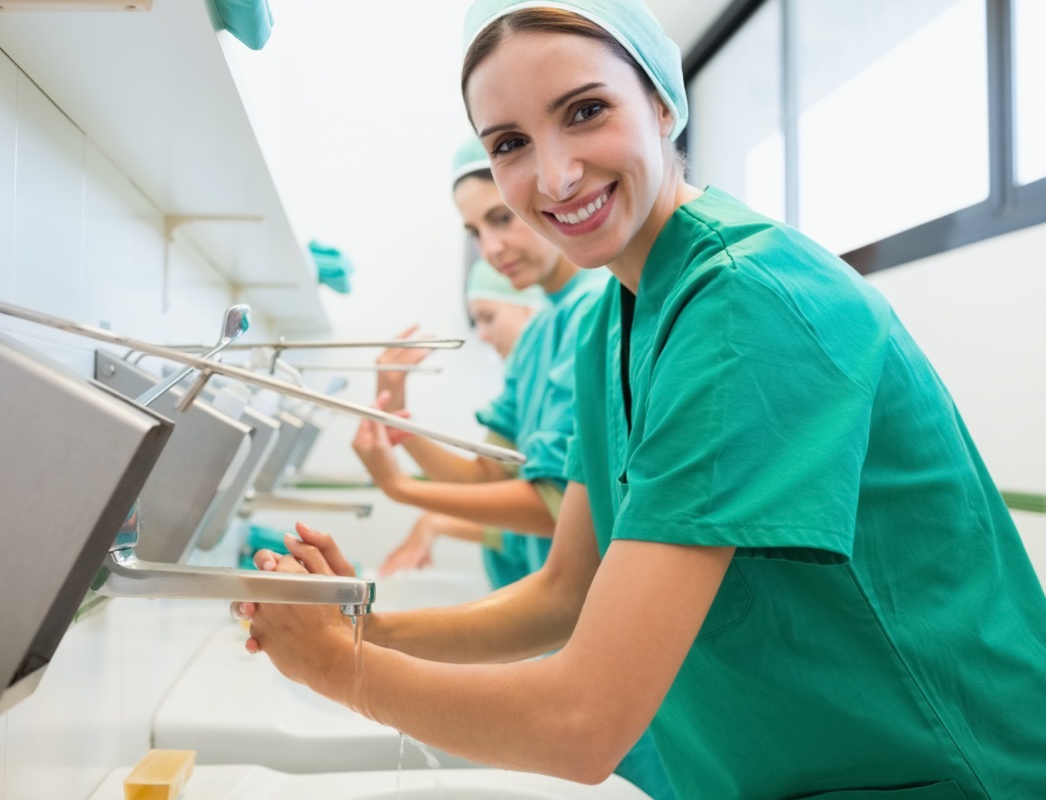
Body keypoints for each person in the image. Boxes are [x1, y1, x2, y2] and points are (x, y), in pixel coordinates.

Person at [236, 2, 1046, 797]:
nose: (552, 176)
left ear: (662, 101)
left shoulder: (746, 302)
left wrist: (339, 668)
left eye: (586, 111)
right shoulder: (605, 324)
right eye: (511, 143)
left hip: (941, 767)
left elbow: (584, 723)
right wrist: (366, 629)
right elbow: (567, 591)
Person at [352, 137, 608, 578]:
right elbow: (489, 478)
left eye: (501, 218)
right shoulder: (541, 333)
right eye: (475, 233)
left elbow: (557, 509)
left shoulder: (596, 312)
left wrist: (401, 488)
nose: (489, 250)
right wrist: (396, 420)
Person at [378, 259, 548, 588]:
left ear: (530, 308)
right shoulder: (523, 386)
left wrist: (400, 487)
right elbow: (483, 481)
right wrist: (395, 418)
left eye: (488, 317)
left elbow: (550, 512)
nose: (481, 335)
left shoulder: (561, 377)